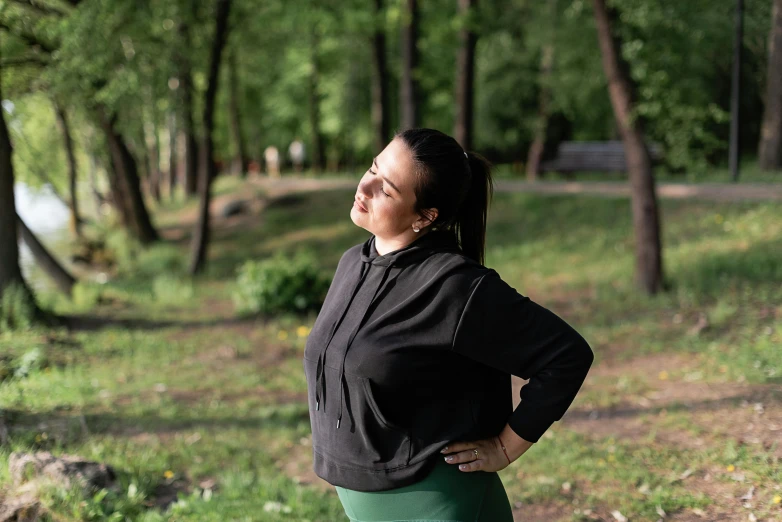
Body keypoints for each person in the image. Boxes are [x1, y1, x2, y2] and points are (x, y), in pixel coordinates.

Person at [303, 128, 594, 521]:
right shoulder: (353, 262)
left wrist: (507, 447)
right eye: (373, 167)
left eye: (386, 189)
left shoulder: (455, 286)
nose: (365, 186)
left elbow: (566, 355)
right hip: (364, 499)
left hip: (434, 501)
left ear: (425, 216)